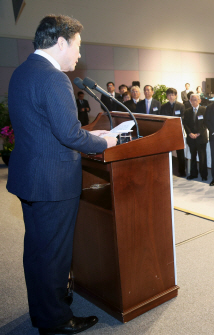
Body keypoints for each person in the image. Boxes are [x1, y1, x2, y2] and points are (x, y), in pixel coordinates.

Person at [6, 14, 117, 334]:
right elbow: (70, 135)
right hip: (53, 181)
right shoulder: (54, 78)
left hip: (31, 176)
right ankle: (55, 321)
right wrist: (105, 140)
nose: (80, 54)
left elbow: (43, 126)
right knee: (54, 253)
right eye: (78, 46)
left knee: (38, 250)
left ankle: (43, 309)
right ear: (61, 42)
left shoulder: (23, 72)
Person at [160, 88, 186, 177]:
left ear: (176, 95)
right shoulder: (163, 106)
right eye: (169, 95)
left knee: (180, 152)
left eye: (173, 94)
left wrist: (174, 121)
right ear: (167, 96)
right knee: (166, 152)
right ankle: (166, 170)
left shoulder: (181, 106)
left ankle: (182, 171)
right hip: (167, 132)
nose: (171, 96)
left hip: (177, 130)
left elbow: (183, 117)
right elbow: (162, 118)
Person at [184, 94, 208, 180]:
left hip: (201, 138)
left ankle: (204, 175)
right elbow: (185, 124)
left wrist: (198, 133)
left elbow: (206, 123)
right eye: (192, 100)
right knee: (192, 157)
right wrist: (190, 133)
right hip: (191, 138)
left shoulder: (204, 110)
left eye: (195, 99)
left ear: (199, 100)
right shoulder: (187, 111)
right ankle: (193, 174)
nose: (194, 101)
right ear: (190, 101)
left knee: (202, 157)